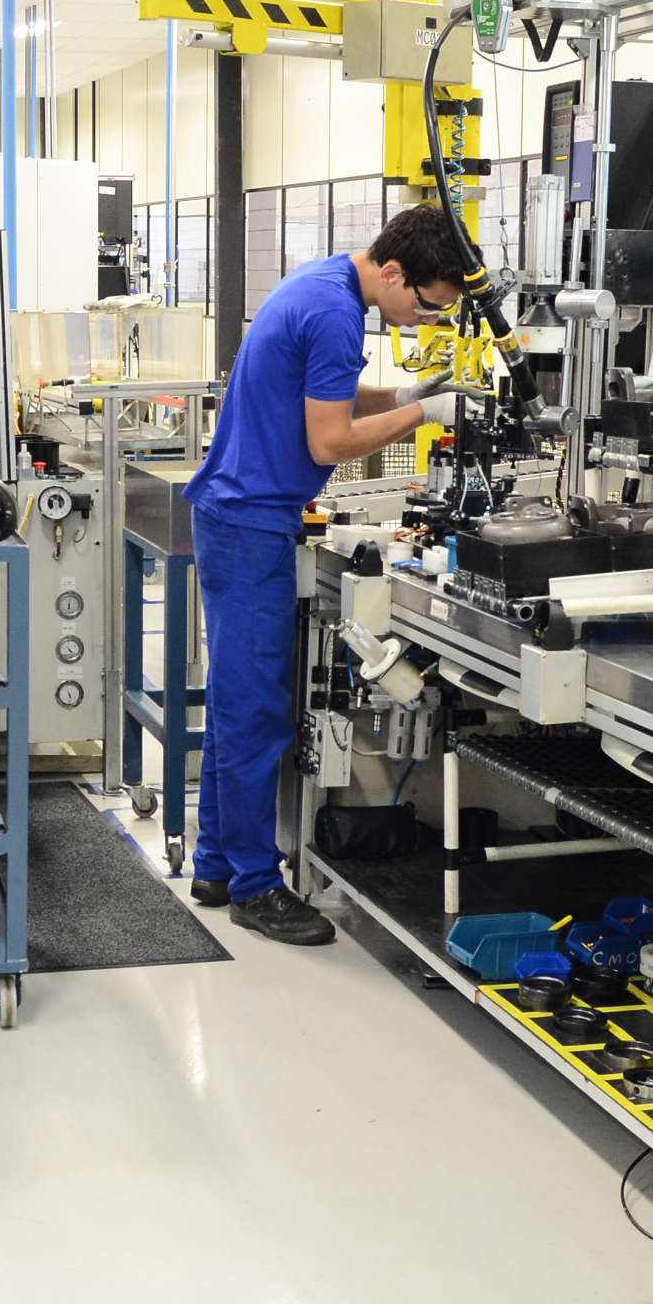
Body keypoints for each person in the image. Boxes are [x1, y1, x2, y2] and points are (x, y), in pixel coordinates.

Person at [182, 205, 478, 945]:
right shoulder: (339, 315)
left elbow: (335, 399)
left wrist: (410, 394)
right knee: (253, 711)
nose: (423, 319)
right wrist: (426, 416)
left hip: (238, 511)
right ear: (392, 271)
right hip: (250, 519)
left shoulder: (323, 286)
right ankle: (255, 884)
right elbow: (334, 436)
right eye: (426, 303)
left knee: (233, 701)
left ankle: (218, 862)